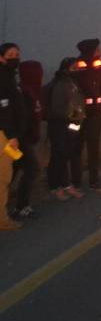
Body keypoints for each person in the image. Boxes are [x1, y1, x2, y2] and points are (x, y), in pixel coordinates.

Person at [45, 57, 86, 201]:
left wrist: (78, 119)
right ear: (65, 69)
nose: (77, 70)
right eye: (74, 68)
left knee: (67, 154)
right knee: (58, 155)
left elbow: (77, 103)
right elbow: (58, 109)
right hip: (59, 125)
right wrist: (73, 116)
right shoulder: (60, 84)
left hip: (73, 123)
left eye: (78, 68)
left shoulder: (73, 83)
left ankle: (66, 185)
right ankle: (54, 187)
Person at [74, 38, 101, 192]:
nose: (100, 52)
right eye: (97, 49)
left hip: (96, 113)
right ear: (89, 50)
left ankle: (94, 181)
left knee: (93, 146)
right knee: (76, 146)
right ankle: (75, 181)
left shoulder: (98, 65)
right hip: (77, 115)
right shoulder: (76, 66)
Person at [0, 42, 28, 230]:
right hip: (4, 136)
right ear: (1, 57)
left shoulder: (9, 75)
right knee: (3, 176)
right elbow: (4, 109)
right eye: (10, 54)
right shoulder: (3, 77)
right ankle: (2, 219)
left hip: (7, 133)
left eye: (17, 53)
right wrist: (11, 135)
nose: (15, 57)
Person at [12, 59, 44, 219]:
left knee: (13, 170)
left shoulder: (33, 91)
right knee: (32, 169)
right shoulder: (24, 92)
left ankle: (12, 204)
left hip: (25, 141)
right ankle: (21, 206)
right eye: (39, 72)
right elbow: (22, 118)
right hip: (20, 142)